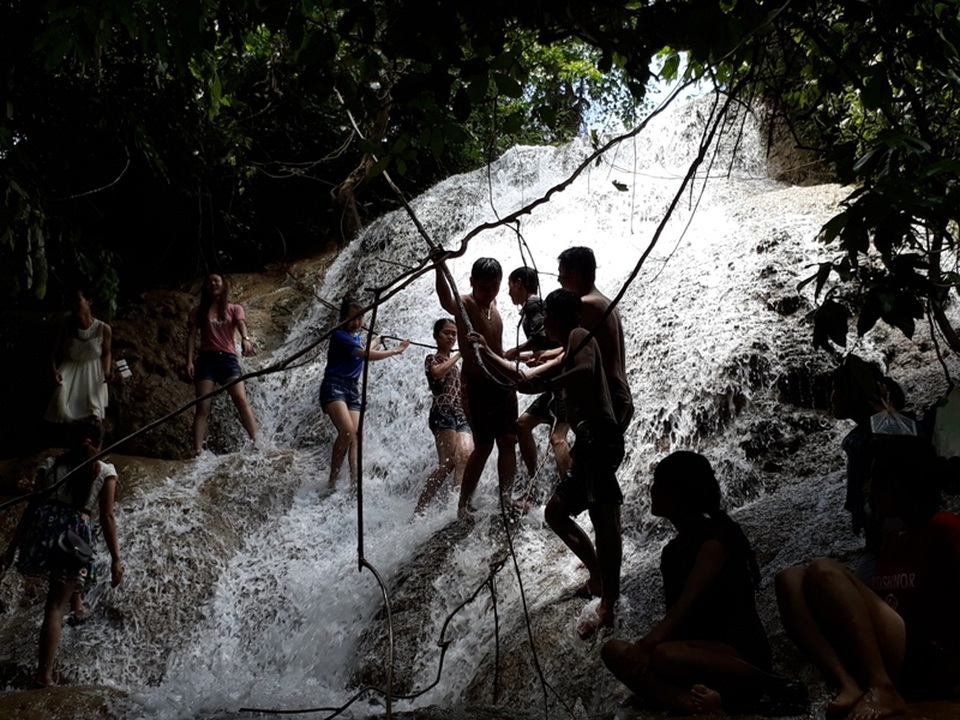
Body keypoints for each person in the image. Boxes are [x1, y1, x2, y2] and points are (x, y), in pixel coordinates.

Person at [601, 451, 806, 716]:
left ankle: (770, 685)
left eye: (658, 484)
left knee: (665, 656)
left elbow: (683, 607)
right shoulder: (673, 551)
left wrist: (645, 647)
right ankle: (692, 704)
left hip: (736, 653)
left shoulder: (715, 541)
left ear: (678, 493)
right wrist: (641, 654)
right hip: (690, 651)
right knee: (614, 650)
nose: (651, 490)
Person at [473, 288, 624, 638]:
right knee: (556, 513)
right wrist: (486, 354)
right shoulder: (571, 342)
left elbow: (584, 371)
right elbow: (525, 380)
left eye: (547, 318)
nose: (543, 324)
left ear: (557, 317)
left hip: (597, 436)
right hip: (591, 439)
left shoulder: (578, 334)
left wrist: (553, 382)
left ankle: (608, 603)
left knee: (603, 518)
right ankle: (599, 576)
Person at [775, 435, 960, 720]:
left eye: (873, 477)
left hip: (931, 658)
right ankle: (847, 684)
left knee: (824, 569)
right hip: (899, 653)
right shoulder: (894, 539)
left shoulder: (946, 528)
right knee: (789, 579)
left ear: (899, 483)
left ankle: (881, 686)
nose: (866, 487)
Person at [0, 416, 122, 687]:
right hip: (75, 536)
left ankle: (76, 608)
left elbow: (32, 507)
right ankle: (43, 674)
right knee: (55, 606)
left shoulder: (52, 465)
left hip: (45, 532)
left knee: (58, 592)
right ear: (100, 443)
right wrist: (116, 558)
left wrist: (11, 550)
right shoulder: (104, 470)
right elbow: (107, 517)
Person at [433, 255, 519, 522]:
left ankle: (507, 497)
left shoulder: (493, 305)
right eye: (484, 287)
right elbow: (446, 300)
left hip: (503, 383)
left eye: (494, 286)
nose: (489, 292)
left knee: (508, 440)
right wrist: (439, 267)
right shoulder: (466, 304)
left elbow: (495, 345)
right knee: (483, 445)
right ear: (472, 283)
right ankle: (463, 504)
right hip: (478, 386)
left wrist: (513, 356)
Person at [830, 355, 909, 581]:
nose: (831, 396)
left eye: (836, 388)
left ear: (853, 393)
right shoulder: (861, 438)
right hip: (880, 538)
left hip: (896, 536)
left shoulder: (877, 436)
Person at [320, 297, 410, 488]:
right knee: (347, 431)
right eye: (353, 318)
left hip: (352, 389)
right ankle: (332, 480)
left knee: (356, 435)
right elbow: (366, 355)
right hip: (334, 386)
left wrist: (377, 340)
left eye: (361, 318)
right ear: (343, 318)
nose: (358, 322)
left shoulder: (355, 338)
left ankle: (355, 483)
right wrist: (395, 350)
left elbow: (363, 350)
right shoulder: (339, 336)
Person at [504, 266, 571, 483]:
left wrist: (520, 350)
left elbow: (541, 338)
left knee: (558, 438)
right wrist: (520, 354)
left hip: (560, 384)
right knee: (522, 425)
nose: (509, 291)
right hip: (554, 382)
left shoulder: (533, 304)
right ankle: (535, 481)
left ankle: (570, 490)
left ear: (520, 283)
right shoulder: (536, 304)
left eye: (510, 285)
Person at [557, 246, 633, 432]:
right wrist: (547, 353)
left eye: (561, 273)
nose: (559, 279)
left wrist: (537, 377)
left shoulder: (585, 305)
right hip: (621, 395)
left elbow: (573, 353)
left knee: (590, 458)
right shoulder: (606, 303)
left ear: (574, 274)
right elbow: (588, 344)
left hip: (606, 398)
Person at [185, 273, 259, 455]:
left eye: (216, 281)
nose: (213, 284)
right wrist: (188, 361)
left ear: (223, 285)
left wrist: (245, 339)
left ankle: (257, 442)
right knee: (203, 406)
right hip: (206, 360)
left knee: (241, 399)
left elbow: (241, 324)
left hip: (227, 359)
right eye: (209, 281)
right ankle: (198, 450)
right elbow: (192, 337)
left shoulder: (234, 309)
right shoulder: (198, 311)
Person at [416, 318, 474, 512]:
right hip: (443, 412)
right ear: (436, 336)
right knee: (447, 463)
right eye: (446, 333)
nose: (451, 337)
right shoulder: (432, 359)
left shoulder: (455, 366)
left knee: (465, 456)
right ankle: (420, 508)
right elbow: (437, 373)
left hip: (461, 414)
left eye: (454, 334)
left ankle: (459, 504)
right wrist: (458, 356)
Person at [43, 287, 113, 426]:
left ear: (89, 302)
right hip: (69, 370)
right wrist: (54, 371)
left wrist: (106, 371)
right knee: (63, 410)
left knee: (94, 416)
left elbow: (106, 353)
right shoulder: (65, 327)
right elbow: (53, 352)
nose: (74, 306)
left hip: (93, 373)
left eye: (77, 301)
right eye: (71, 302)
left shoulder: (103, 329)